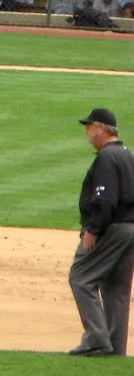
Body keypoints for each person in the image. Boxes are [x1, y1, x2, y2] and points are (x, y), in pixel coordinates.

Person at [69, 107, 134, 356]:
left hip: (111, 227)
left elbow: (105, 200)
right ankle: (115, 347)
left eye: (89, 128)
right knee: (117, 287)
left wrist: (93, 230)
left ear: (102, 129)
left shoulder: (107, 158)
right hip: (130, 228)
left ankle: (96, 339)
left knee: (81, 278)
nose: (87, 134)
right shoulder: (129, 155)